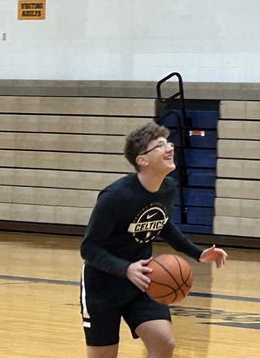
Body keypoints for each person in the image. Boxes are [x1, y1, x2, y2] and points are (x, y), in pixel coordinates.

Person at [80, 121, 227, 358]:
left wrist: (197, 253)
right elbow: (89, 248)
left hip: (145, 281)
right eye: (160, 145)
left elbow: (162, 223)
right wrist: (126, 269)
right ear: (142, 160)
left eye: (168, 143)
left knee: (164, 343)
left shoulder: (166, 187)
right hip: (103, 284)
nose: (170, 148)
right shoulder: (115, 197)